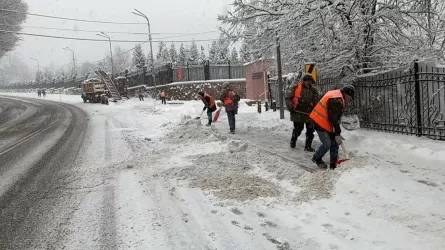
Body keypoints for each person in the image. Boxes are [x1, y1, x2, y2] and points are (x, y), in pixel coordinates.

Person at [310, 85, 355, 169]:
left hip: (326, 122)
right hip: (319, 121)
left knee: (335, 142)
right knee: (327, 143)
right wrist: (337, 132)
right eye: (350, 97)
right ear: (346, 94)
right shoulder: (336, 99)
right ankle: (316, 158)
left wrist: (337, 133)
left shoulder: (338, 96)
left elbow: (335, 117)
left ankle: (333, 163)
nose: (349, 99)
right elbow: (333, 118)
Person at [285, 73, 319, 151]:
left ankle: (308, 146)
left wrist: (316, 111)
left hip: (309, 113)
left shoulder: (313, 91)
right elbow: (288, 98)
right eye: (306, 80)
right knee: (298, 129)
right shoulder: (295, 88)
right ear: (303, 81)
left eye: (310, 81)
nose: (308, 82)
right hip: (297, 112)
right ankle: (293, 140)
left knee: (310, 130)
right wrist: (291, 107)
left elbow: (317, 101)